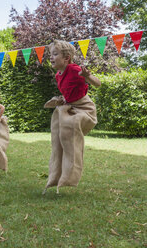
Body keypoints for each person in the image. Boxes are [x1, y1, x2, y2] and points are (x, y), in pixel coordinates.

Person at [43, 40, 101, 194]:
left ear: (66, 58)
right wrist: (63, 99)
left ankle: (71, 174)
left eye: (55, 54)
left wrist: (87, 76)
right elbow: (68, 90)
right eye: (50, 54)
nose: (51, 57)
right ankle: (57, 175)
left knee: (70, 129)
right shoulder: (58, 75)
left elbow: (98, 83)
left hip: (84, 108)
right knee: (59, 137)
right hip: (71, 106)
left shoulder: (75, 69)